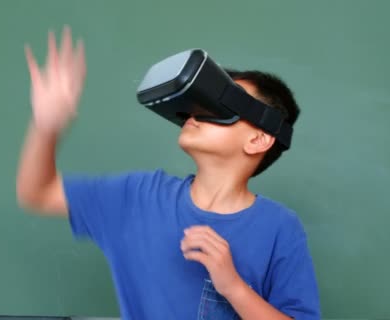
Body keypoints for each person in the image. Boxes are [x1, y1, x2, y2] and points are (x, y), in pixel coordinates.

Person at [16, 26, 320, 320]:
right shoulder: (139, 197)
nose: (194, 113)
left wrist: (232, 287)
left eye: (220, 104)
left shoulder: (280, 229)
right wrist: (46, 126)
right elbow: (38, 193)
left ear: (258, 139)